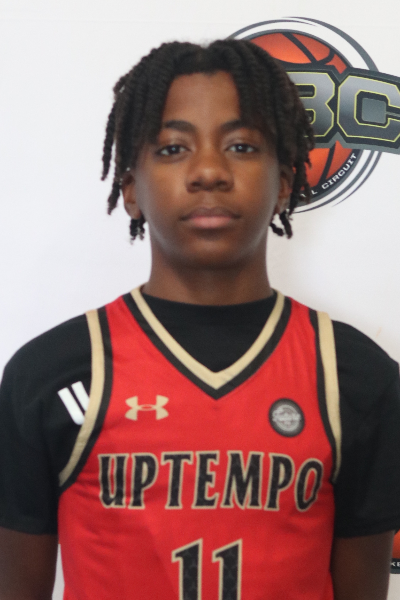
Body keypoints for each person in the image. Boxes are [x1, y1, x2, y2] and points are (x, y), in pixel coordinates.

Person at [0, 39, 400, 600]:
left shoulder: (353, 376)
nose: (209, 171)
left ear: (284, 184)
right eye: (172, 148)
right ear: (131, 190)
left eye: (241, 146)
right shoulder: (51, 374)